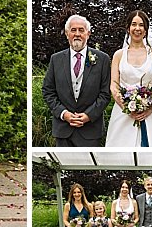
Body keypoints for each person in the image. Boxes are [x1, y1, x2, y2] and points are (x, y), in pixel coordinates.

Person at [43, 15, 111, 146]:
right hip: (63, 130)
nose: (77, 34)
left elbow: (105, 93)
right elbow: (48, 91)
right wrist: (64, 114)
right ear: (67, 33)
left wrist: (88, 116)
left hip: (90, 130)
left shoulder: (102, 59)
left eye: (81, 30)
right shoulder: (55, 60)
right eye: (73, 30)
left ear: (88, 33)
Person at [104, 10, 152, 147]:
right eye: (134, 24)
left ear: (146, 30)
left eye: (141, 25)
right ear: (128, 28)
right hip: (123, 113)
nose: (137, 28)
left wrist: (150, 107)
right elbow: (114, 85)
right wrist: (127, 107)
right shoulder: (118, 55)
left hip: (151, 114)